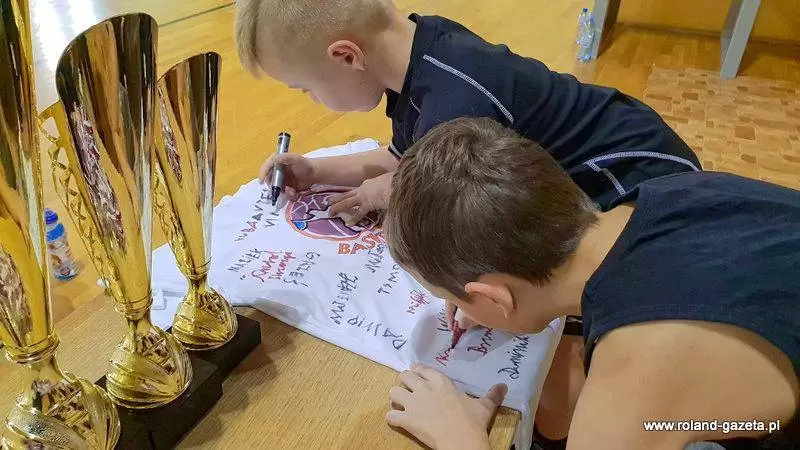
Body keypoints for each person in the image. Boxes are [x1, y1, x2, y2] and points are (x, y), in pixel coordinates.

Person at [234, 1, 702, 444]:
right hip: (648, 170)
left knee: (561, 394)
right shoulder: (421, 50)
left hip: (634, 184)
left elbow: (414, 180)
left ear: (346, 56)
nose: (312, 99)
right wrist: (316, 170)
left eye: (306, 88)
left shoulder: (456, 100)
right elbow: (405, 157)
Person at [382, 117, 799, 450]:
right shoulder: (670, 189)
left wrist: (460, 439)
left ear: (493, 298)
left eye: (455, 300)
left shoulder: (632, 382)